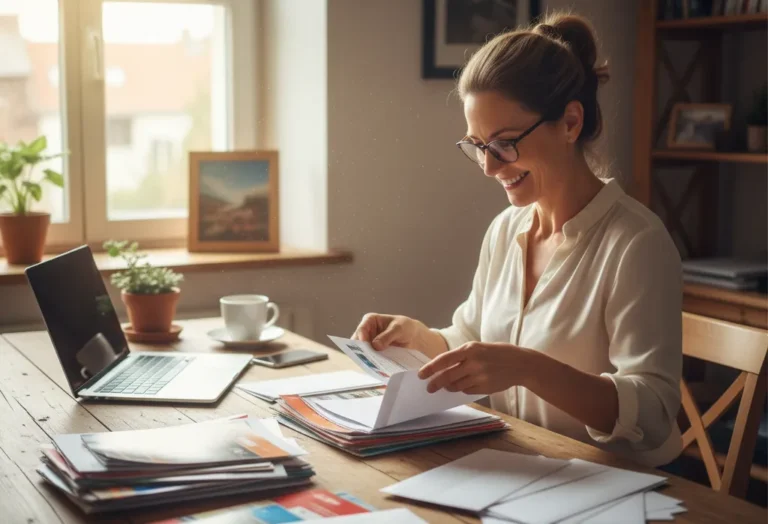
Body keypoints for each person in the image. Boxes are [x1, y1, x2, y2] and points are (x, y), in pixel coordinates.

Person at [352, 13, 682, 467]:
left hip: (613, 489)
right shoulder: (506, 230)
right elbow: (473, 338)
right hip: (520, 469)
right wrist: (417, 337)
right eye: (477, 145)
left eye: (504, 142)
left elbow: (656, 413)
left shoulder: (636, 243)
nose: (489, 167)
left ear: (570, 122)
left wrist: (529, 368)